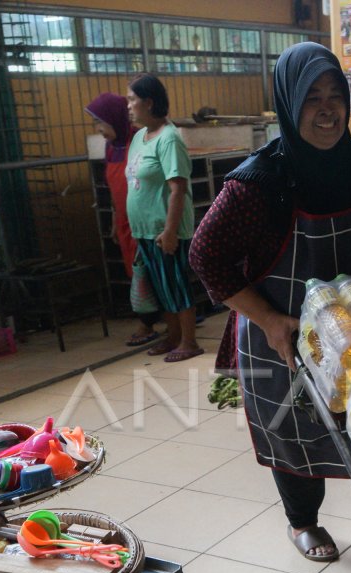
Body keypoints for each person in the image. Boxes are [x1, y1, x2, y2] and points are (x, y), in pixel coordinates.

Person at [190, 42, 351, 572]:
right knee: (292, 433)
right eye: (312, 97)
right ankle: (303, 521)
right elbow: (204, 256)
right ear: (289, 103)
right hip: (283, 332)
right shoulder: (258, 183)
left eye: (336, 95)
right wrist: (267, 319)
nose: (327, 109)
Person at [125, 74, 203, 363]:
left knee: (175, 285)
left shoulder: (169, 139)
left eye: (132, 100)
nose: (129, 107)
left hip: (165, 230)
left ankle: (189, 341)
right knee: (160, 287)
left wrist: (170, 230)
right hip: (144, 230)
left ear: (149, 102)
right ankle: (171, 337)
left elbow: (178, 188)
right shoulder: (139, 137)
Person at [85, 92, 166, 348]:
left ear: (115, 118)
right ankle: (152, 318)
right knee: (137, 272)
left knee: (157, 270)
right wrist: (113, 222)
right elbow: (114, 190)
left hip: (147, 218)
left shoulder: (140, 140)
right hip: (125, 222)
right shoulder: (112, 148)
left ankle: (155, 321)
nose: (99, 130)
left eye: (101, 123)